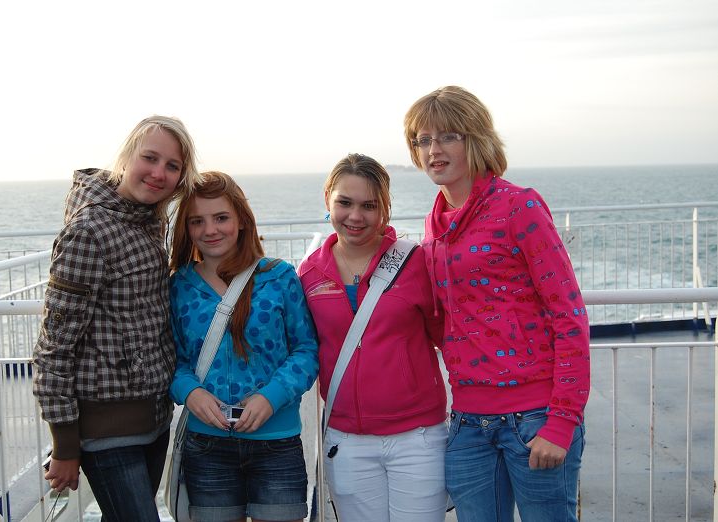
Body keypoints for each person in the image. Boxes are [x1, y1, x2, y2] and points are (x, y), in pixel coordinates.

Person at [403, 86, 590, 522]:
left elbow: (569, 314)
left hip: (535, 418)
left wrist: (562, 420)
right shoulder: (434, 225)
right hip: (468, 421)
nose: (433, 150)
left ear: (476, 139)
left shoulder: (519, 206)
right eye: (422, 139)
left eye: (448, 136)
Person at [32, 115, 199, 521]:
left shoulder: (149, 220)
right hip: (106, 428)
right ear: (126, 157)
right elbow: (54, 345)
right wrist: (65, 444)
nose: (158, 173)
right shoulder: (89, 231)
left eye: (172, 166)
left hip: (154, 417)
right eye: (150, 158)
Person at [297, 153, 449, 522]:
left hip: (417, 438)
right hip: (347, 441)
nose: (355, 216)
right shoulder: (309, 272)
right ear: (327, 199)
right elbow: (303, 348)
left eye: (369, 205)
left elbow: (448, 336)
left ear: (384, 208)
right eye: (345, 203)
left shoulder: (415, 262)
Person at [168, 170, 319, 522]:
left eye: (221, 218)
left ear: (241, 220)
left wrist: (272, 396)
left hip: (277, 441)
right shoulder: (179, 286)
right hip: (207, 445)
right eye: (197, 221)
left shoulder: (278, 276)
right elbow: (172, 358)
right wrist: (190, 392)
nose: (210, 230)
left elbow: (306, 350)